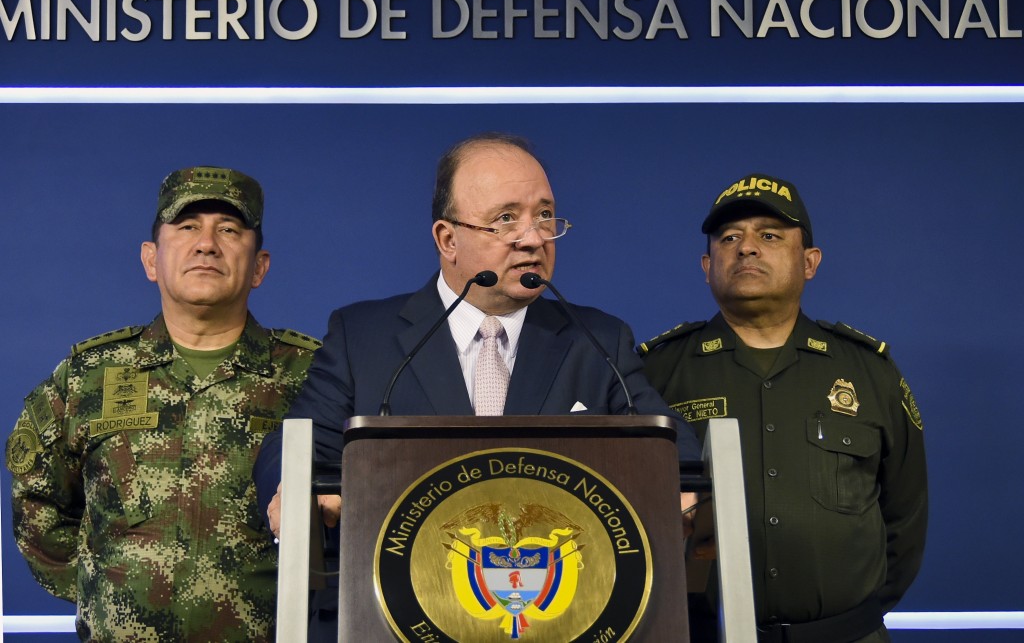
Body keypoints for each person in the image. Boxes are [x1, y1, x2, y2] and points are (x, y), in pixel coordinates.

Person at [253, 131, 701, 639]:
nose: (533, 238)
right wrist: (293, 488)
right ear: (447, 239)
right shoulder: (365, 337)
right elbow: (294, 444)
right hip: (393, 617)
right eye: (505, 219)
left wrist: (685, 490)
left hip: (560, 622)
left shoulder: (595, 339)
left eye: (545, 216)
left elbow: (673, 449)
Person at [7, 166, 320, 641]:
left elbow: (355, 512)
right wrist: (109, 588)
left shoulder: (312, 375)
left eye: (230, 230)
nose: (207, 244)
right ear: (151, 259)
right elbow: (37, 505)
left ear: (259, 266)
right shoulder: (90, 375)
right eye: (188, 227)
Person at [640, 173, 928, 642]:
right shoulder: (655, 373)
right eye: (729, 238)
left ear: (810, 262)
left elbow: (906, 514)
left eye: (770, 236)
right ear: (706, 264)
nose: (747, 248)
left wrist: (845, 620)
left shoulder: (869, 372)